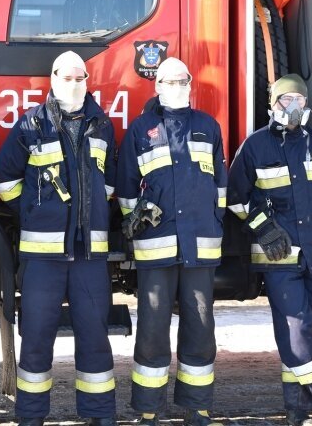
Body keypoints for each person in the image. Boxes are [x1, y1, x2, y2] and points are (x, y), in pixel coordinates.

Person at [0, 51, 117, 426]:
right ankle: (30, 417)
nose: (74, 84)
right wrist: (34, 212)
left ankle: (100, 416)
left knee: (95, 337)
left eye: (81, 78)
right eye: (67, 77)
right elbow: (4, 181)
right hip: (42, 257)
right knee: (36, 340)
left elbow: (108, 184)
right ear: (53, 78)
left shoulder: (102, 125)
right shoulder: (31, 124)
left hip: (88, 256)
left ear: (88, 81)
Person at [227, 73, 312, 426]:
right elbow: (235, 197)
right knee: (296, 327)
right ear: (272, 104)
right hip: (279, 257)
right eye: (285, 100)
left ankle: (299, 408)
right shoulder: (255, 146)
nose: (292, 107)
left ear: (307, 104)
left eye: (299, 100)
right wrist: (262, 227)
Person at [116, 57, 226, 426]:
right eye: (169, 81)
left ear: (190, 84)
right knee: (152, 327)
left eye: (183, 80)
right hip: (156, 247)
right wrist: (138, 222)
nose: (177, 86)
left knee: (200, 325)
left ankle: (197, 406)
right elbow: (128, 188)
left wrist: (212, 223)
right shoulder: (141, 129)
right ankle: (148, 407)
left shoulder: (208, 127)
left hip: (200, 245)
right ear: (157, 85)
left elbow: (220, 189)